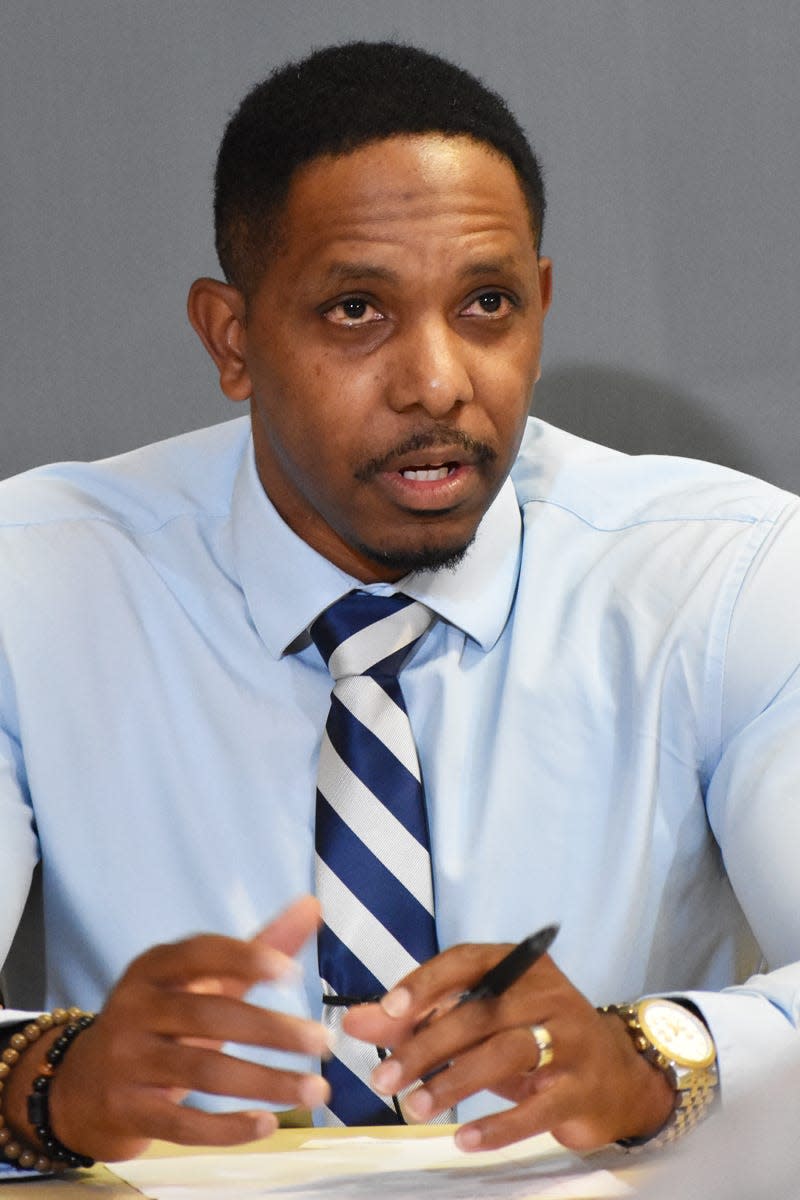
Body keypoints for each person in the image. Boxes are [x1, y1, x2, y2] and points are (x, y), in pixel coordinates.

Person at [1, 39, 799, 1173]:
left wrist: (652, 1057)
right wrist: (48, 1084)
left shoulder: (725, 576)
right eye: (356, 312)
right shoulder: (30, 585)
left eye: (486, 302)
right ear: (231, 339)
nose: (438, 379)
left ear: (541, 300)